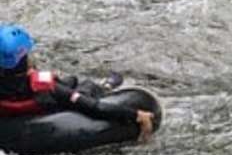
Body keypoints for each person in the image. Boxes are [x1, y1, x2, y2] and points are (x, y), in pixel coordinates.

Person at [0, 25, 153, 141]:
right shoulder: (48, 88)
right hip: (53, 105)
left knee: (69, 81)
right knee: (84, 87)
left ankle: (77, 83)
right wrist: (136, 114)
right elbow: (95, 107)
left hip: (13, 110)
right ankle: (104, 86)